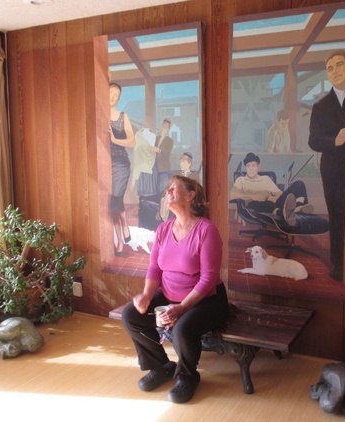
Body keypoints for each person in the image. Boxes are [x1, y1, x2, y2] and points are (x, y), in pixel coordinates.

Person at [122, 175, 229, 404]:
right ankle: (161, 367)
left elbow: (209, 278)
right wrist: (147, 295)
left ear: (190, 196)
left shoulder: (206, 230)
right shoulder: (163, 229)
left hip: (206, 300)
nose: (168, 193)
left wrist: (181, 308)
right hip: (170, 296)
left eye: (173, 189)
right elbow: (154, 268)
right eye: (167, 189)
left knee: (182, 328)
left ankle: (187, 377)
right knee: (131, 316)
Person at [308, 50, 345, 281]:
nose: (335, 71)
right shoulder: (321, 106)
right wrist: (335, 141)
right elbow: (313, 141)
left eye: (339, 65)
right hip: (334, 170)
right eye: (330, 68)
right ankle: (339, 264)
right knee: (337, 216)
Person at [230, 152, 313, 226]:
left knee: (299, 184)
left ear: (258, 167)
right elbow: (232, 195)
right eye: (248, 166)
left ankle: (298, 207)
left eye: (253, 165)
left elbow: (279, 193)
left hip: (273, 202)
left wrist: (274, 198)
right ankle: (284, 214)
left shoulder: (265, 179)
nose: (251, 168)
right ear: (245, 168)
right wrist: (253, 196)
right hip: (254, 205)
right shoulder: (241, 180)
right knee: (266, 203)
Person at [109, 82, 135, 257]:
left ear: (119, 99)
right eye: (110, 93)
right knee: (110, 206)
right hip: (104, 163)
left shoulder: (122, 116)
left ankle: (125, 222)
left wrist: (114, 139)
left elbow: (132, 142)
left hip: (120, 162)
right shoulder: (99, 113)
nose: (113, 97)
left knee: (115, 200)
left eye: (116, 95)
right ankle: (119, 241)